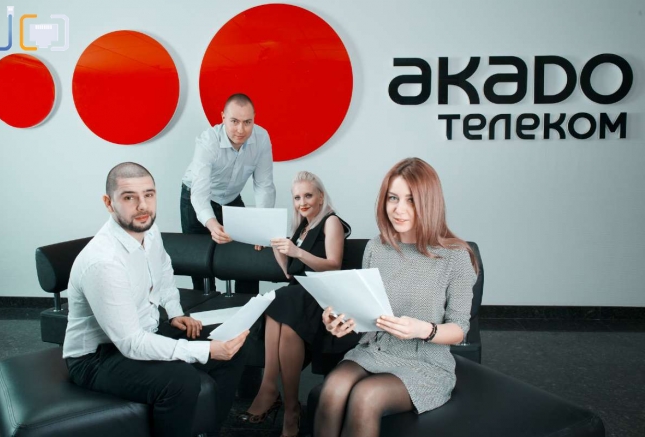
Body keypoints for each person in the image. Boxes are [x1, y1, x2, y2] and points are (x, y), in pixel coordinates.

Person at [63, 162, 250, 437]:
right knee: (181, 381)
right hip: (96, 357)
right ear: (109, 203)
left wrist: (175, 313)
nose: (143, 206)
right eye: (129, 197)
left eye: (148, 195)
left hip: (145, 331)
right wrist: (205, 351)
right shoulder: (104, 262)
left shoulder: (148, 230)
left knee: (232, 347)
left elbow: (163, 270)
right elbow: (131, 344)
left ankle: (207, 431)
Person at [314, 158, 479, 437]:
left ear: (429, 203)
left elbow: (460, 328)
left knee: (367, 396)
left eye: (411, 200)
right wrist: (341, 322)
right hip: (374, 351)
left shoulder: (456, 257)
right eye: (393, 198)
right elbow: (367, 312)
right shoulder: (376, 248)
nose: (398, 209)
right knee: (332, 389)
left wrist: (422, 329)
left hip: (426, 363)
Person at [238, 171, 351, 437]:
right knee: (281, 310)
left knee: (280, 299)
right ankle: (289, 406)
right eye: (297, 198)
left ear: (321, 196)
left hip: (321, 294)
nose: (302, 202)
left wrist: (297, 251)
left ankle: (270, 390)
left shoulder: (331, 221)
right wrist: (277, 246)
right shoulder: (302, 227)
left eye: (308, 195)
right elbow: (290, 274)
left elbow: (333, 265)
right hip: (298, 294)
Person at [180, 93, 276, 292]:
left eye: (247, 122)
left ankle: (248, 305)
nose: (241, 129)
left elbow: (264, 185)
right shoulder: (208, 141)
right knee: (199, 263)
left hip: (231, 198)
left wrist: (261, 226)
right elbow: (199, 193)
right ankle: (206, 302)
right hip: (195, 197)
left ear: (254, 118)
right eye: (234, 121)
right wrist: (211, 223)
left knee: (250, 252)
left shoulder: (262, 138)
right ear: (223, 117)